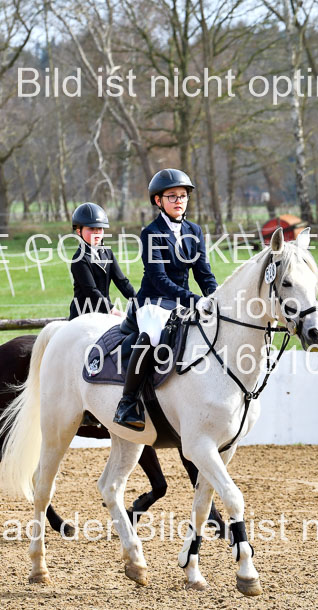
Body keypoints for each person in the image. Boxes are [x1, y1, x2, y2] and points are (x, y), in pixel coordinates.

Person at [113, 168, 219, 431]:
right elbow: (159, 279)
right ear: (158, 201)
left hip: (182, 303)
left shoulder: (194, 230)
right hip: (154, 303)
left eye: (183, 196)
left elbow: (204, 273)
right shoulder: (151, 233)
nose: (179, 201)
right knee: (150, 336)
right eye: (172, 196)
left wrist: (216, 297)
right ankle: (127, 403)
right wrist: (193, 299)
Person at [68, 202, 135, 319]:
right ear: (79, 231)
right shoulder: (79, 259)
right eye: (91, 229)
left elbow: (122, 282)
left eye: (99, 228)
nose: (97, 232)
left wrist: (139, 300)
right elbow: (91, 291)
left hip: (103, 313)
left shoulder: (107, 253)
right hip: (84, 315)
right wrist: (113, 310)